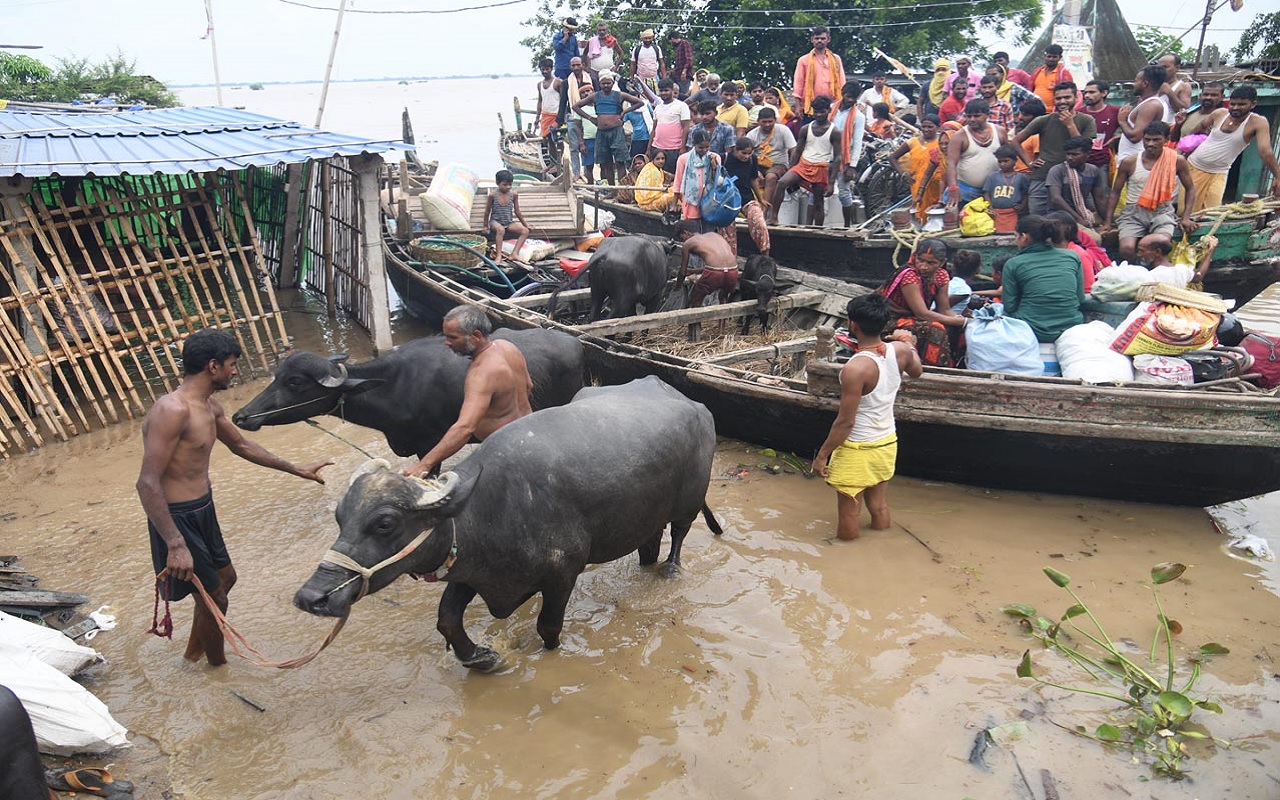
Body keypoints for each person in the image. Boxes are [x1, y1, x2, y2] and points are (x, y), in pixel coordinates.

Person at [137, 328, 331, 666]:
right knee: (215, 598)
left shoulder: (209, 406)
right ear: (213, 366)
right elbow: (147, 483)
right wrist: (175, 543)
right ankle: (217, 668)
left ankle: (192, 657)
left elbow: (241, 445)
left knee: (226, 579)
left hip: (203, 508)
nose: (235, 370)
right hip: (178, 516)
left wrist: (295, 468)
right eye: (231, 364)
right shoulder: (172, 410)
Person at [812, 293, 922, 541]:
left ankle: (845, 559)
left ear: (853, 324)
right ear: (885, 324)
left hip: (857, 448)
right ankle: (880, 546)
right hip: (886, 442)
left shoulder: (856, 368)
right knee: (879, 506)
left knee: (850, 512)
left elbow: (845, 422)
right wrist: (907, 343)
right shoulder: (901, 351)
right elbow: (917, 372)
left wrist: (822, 455)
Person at [404, 306, 533, 478]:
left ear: (476, 336)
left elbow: (465, 427)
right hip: (530, 436)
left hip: (505, 451)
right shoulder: (508, 347)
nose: (446, 342)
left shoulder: (481, 373)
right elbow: (529, 386)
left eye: (452, 337)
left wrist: (423, 464)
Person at [1102, 121, 1197, 262]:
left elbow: (1190, 189)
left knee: (1161, 245)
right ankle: (1138, 275)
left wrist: (1186, 217)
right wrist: (1108, 222)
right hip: (1133, 212)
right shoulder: (1130, 162)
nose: (1150, 144)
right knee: (1126, 249)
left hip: (1162, 211)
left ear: (1166, 140)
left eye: (1156, 140)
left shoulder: (1177, 161)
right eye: (1147, 139)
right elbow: (1115, 192)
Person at [1187, 86, 1280, 212]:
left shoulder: (1258, 122)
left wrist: (1278, 176)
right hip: (1194, 166)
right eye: (1233, 104)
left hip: (1219, 172)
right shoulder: (1219, 113)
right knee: (1187, 210)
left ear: (1253, 104)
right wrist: (1186, 147)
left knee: (1210, 212)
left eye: (1241, 104)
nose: (1235, 108)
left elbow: (1266, 152)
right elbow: (1200, 127)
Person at [879, 237, 966, 366]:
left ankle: (956, 365)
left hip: (914, 316)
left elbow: (945, 309)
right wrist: (960, 321)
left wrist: (963, 321)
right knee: (935, 329)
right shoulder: (910, 275)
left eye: (931, 263)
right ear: (914, 257)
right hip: (889, 319)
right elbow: (922, 313)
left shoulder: (941, 276)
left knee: (959, 329)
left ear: (942, 263)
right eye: (920, 260)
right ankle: (930, 369)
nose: (923, 267)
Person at [1012, 81, 1097, 215]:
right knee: (1038, 219)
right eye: (1058, 98)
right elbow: (1016, 141)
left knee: (1077, 218)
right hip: (1043, 176)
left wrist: (1070, 124)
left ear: (1076, 98)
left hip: (1075, 177)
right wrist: (1029, 163)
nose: (1062, 101)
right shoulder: (1044, 120)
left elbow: (1084, 147)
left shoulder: (1087, 120)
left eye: (1067, 97)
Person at [1001, 215, 1085, 343]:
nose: (1016, 240)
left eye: (1015, 236)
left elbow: (1010, 306)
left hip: (1031, 329)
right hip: (1071, 325)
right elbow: (1080, 298)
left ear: (1024, 237)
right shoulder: (1072, 256)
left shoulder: (1013, 264)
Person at [769, 95, 840, 226]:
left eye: (822, 112)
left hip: (821, 167)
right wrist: (791, 169)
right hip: (804, 164)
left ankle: (818, 230)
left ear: (828, 111)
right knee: (782, 183)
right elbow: (797, 151)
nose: (818, 115)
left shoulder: (834, 131)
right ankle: (774, 217)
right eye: (816, 112)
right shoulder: (806, 128)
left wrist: (831, 182)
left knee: (818, 202)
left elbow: (837, 158)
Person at [574, 71, 643, 187]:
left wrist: (624, 111)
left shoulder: (619, 95)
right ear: (600, 84)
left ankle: (622, 189)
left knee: (620, 162)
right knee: (606, 163)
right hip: (601, 133)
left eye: (608, 83)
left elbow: (639, 102)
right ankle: (612, 190)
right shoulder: (595, 96)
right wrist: (590, 118)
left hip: (616, 132)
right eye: (603, 83)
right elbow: (575, 106)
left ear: (613, 83)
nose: (606, 85)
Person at [945, 99, 1009, 207]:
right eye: (968, 116)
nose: (972, 119)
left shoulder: (1000, 132)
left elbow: (1008, 155)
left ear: (987, 115)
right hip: (965, 191)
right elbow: (951, 163)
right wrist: (953, 188)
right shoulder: (960, 136)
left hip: (994, 190)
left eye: (977, 116)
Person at [1046, 136, 1108, 232]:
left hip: (1083, 213)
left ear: (1087, 154)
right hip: (1060, 217)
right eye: (1068, 154)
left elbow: (1099, 199)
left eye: (1075, 154)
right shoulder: (1057, 170)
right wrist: (1079, 220)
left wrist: (1107, 222)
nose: (1069, 158)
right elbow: (1056, 199)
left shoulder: (1093, 171)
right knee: (1095, 239)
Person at [891, 114, 943, 222]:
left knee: (936, 214)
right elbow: (892, 157)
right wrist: (903, 174)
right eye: (923, 127)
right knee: (919, 214)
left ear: (938, 127)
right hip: (918, 184)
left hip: (937, 185)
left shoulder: (942, 143)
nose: (926, 129)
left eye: (930, 127)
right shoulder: (913, 142)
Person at [1115, 65, 1170, 166]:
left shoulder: (1150, 105)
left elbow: (1135, 137)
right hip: (1133, 163)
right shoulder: (1149, 103)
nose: (1134, 84)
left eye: (1136, 81)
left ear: (1145, 83)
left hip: (1136, 166)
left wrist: (1122, 121)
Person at [747, 107, 797, 215]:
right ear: (758, 121)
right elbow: (748, 155)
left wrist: (792, 169)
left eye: (770, 121)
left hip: (778, 164)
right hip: (758, 164)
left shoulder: (783, 130)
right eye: (764, 122)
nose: (767, 124)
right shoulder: (752, 134)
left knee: (771, 177)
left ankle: (764, 213)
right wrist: (755, 171)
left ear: (775, 120)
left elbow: (793, 150)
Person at [831, 81, 868, 227]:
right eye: (848, 97)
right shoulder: (830, 110)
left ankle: (847, 225)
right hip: (826, 155)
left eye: (853, 98)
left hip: (844, 158)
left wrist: (852, 166)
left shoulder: (858, 116)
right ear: (842, 94)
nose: (850, 100)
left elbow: (857, 142)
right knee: (818, 189)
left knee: (844, 192)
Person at [725, 136, 771, 254]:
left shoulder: (752, 160)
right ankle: (731, 259)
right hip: (727, 201)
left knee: (759, 223)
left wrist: (760, 199)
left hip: (746, 198)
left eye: (749, 153)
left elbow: (753, 179)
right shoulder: (725, 158)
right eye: (743, 153)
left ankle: (765, 255)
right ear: (735, 150)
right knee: (728, 233)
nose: (746, 156)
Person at [677, 222, 740, 307]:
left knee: (697, 298)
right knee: (723, 296)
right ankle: (723, 320)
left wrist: (677, 286)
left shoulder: (688, 243)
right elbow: (721, 266)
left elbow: (682, 272)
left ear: (686, 232)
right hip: (733, 270)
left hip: (715, 272)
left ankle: (697, 319)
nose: (683, 241)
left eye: (682, 238)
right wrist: (693, 271)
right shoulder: (714, 235)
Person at [673, 128, 723, 231]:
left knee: (708, 231)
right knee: (693, 230)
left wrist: (714, 167)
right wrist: (674, 203)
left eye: (707, 147)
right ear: (694, 145)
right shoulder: (684, 159)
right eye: (701, 147)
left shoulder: (715, 157)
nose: (704, 150)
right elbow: (678, 181)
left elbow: (718, 182)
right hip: (691, 201)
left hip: (709, 201)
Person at [793, 26, 846, 120]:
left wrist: (842, 102)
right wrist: (797, 105)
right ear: (812, 40)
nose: (820, 41)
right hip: (810, 106)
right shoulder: (803, 60)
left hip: (832, 105)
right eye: (817, 38)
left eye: (823, 38)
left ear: (828, 40)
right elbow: (798, 84)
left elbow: (842, 81)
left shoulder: (835, 59)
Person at [1137, 231, 1219, 287]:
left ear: (1158, 252)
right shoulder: (1181, 270)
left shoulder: (1149, 276)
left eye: (1141, 251)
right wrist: (1211, 250)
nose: (1138, 254)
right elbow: (1199, 276)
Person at [1046, 211, 1100, 292]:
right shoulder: (1046, 251)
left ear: (1067, 229)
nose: (1049, 231)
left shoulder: (1079, 254)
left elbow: (1087, 289)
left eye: (1053, 227)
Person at [486, 170, 530, 264]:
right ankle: (498, 256)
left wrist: (526, 224)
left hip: (508, 222)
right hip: (495, 221)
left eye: (510, 184)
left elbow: (517, 211)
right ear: (497, 183)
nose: (508, 187)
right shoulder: (493, 195)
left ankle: (514, 253)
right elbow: (487, 211)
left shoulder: (513, 194)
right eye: (505, 184)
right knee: (501, 230)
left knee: (525, 231)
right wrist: (485, 226)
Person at [982, 144, 1028, 233]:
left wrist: (1022, 205)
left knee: (1012, 233)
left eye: (1006, 161)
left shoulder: (1021, 177)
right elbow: (986, 193)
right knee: (995, 233)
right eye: (1000, 161)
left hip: (1012, 213)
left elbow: (1025, 193)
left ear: (1015, 161)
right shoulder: (993, 177)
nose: (1002, 164)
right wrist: (990, 207)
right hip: (995, 212)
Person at [649, 78, 691, 172]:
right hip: (658, 147)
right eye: (661, 91)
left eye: (666, 90)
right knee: (658, 175)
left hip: (674, 149)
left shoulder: (681, 106)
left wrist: (683, 147)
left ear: (672, 90)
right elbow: (654, 129)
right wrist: (649, 148)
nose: (663, 93)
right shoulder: (657, 108)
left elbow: (686, 127)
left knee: (673, 175)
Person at [1079, 79, 1119, 177]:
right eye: (1085, 92)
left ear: (1104, 93)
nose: (1087, 95)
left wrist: (1118, 137)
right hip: (1082, 161)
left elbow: (1134, 131)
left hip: (1104, 161)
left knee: (1103, 191)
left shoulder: (1115, 111)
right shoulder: (1078, 113)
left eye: (1092, 92)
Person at [564, 57, 593, 180]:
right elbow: (563, 102)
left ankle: (588, 172)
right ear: (570, 67)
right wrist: (559, 120)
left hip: (589, 114)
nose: (576, 67)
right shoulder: (566, 82)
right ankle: (576, 173)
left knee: (587, 145)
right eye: (573, 65)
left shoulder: (591, 79)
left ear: (583, 65)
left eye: (578, 65)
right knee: (574, 146)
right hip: (572, 114)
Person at [550, 18, 580, 123]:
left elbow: (576, 54)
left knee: (572, 89)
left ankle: (571, 112)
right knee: (562, 92)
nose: (571, 32)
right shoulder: (557, 36)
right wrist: (565, 38)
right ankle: (560, 117)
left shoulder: (574, 39)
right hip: (561, 68)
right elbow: (557, 47)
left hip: (572, 69)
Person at [572, 84, 598, 184]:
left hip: (601, 139)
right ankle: (591, 186)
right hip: (588, 139)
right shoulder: (580, 109)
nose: (586, 94)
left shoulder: (598, 105)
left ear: (593, 91)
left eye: (588, 91)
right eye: (582, 92)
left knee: (605, 164)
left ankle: (604, 186)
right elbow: (577, 127)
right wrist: (581, 143)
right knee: (588, 165)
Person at [629, 29, 666, 96]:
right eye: (645, 38)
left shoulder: (656, 48)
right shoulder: (637, 49)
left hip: (654, 78)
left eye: (649, 38)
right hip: (641, 79)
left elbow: (662, 63)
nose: (647, 40)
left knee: (657, 97)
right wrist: (632, 79)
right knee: (643, 98)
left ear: (652, 38)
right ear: (642, 39)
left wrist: (664, 78)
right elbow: (632, 65)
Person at [535, 58, 562, 138]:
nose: (545, 71)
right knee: (548, 139)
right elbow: (540, 101)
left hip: (556, 116)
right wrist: (537, 117)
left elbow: (564, 101)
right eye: (543, 69)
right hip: (545, 115)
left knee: (559, 139)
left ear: (551, 69)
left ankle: (560, 151)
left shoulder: (558, 82)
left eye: (547, 69)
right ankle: (551, 151)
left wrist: (563, 117)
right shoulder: (539, 84)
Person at [668, 30, 695, 98]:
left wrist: (684, 72)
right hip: (678, 75)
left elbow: (689, 59)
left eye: (671, 42)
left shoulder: (684, 43)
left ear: (672, 39)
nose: (671, 43)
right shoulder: (678, 47)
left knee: (683, 95)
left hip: (684, 76)